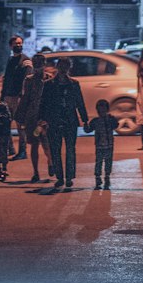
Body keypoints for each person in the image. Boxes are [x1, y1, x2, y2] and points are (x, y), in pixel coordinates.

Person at [39, 55, 88, 191]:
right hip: (54, 121)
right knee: (56, 150)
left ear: (69, 67)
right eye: (61, 65)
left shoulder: (74, 84)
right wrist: (41, 119)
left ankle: (69, 177)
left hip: (70, 120)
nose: (63, 68)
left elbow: (80, 102)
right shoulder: (49, 85)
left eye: (66, 66)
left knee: (70, 150)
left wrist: (85, 119)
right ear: (57, 67)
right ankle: (60, 177)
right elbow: (43, 103)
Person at [14, 51, 52, 182]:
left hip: (46, 117)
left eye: (40, 63)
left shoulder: (49, 79)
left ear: (44, 64)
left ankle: (50, 162)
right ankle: (36, 172)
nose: (37, 66)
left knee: (47, 144)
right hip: (32, 117)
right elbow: (25, 99)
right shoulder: (29, 80)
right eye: (35, 64)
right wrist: (20, 116)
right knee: (34, 145)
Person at [0, 35, 33, 158]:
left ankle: (22, 151)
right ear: (11, 46)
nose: (18, 45)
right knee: (5, 123)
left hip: (18, 97)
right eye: (16, 43)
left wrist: (23, 97)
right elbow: (6, 79)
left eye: (20, 43)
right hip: (8, 97)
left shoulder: (25, 60)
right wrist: (2, 96)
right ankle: (10, 149)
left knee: (20, 126)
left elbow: (27, 80)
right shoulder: (10, 60)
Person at [84, 98, 118, 189]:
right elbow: (88, 130)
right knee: (100, 162)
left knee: (107, 162)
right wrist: (85, 124)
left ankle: (106, 176)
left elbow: (116, 125)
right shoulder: (96, 121)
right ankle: (98, 177)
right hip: (101, 145)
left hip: (108, 145)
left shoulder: (109, 119)